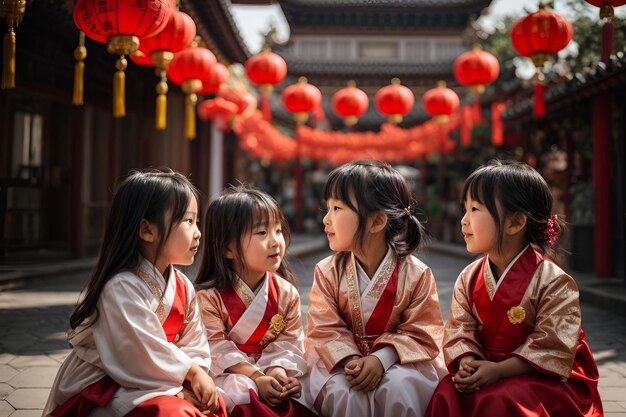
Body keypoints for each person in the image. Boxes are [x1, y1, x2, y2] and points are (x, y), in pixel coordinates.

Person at [425, 160, 604, 417]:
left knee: (500, 399)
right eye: (464, 209)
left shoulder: (553, 280)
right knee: (447, 391)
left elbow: (552, 345)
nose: (463, 220)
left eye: (474, 209)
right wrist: (467, 361)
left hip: (539, 375)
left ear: (515, 222)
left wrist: (498, 370)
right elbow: (459, 328)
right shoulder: (469, 276)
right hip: (484, 365)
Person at [42, 168, 226, 417]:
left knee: (215, 404)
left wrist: (196, 375)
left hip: (163, 375)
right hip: (112, 380)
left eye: (197, 222)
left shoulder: (183, 285)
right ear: (147, 230)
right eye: (188, 221)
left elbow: (195, 341)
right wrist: (190, 373)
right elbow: (137, 353)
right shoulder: (120, 287)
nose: (198, 232)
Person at [305, 160, 447, 417]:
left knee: (398, 388)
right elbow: (324, 329)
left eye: (336, 208)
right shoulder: (326, 272)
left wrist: (382, 359)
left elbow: (422, 331)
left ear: (376, 221)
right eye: (327, 208)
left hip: (400, 363)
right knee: (342, 392)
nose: (326, 219)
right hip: (343, 364)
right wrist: (352, 363)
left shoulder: (416, 274)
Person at [195, 185, 316, 417]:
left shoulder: (286, 294)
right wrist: (256, 376)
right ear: (228, 248)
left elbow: (289, 342)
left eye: (278, 231)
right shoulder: (209, 298)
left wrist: (278, 370)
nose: (275, 241)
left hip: (270, 369)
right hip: (230, 373)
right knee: (243, 390)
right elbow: (214, 347)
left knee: (309, 387)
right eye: (262, 233)